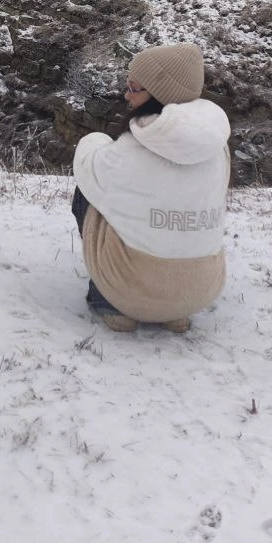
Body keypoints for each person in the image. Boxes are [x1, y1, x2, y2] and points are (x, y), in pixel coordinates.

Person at [71, 42, 230, 334]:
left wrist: (94, 140)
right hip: (200, 292)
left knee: (89, 189)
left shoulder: (129, 150)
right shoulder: (218, 149)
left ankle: (112, 305)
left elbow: (86, 166)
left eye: (134, 88)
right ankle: (175, 313)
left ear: (160, 93)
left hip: (132, 293)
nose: (126, 95)